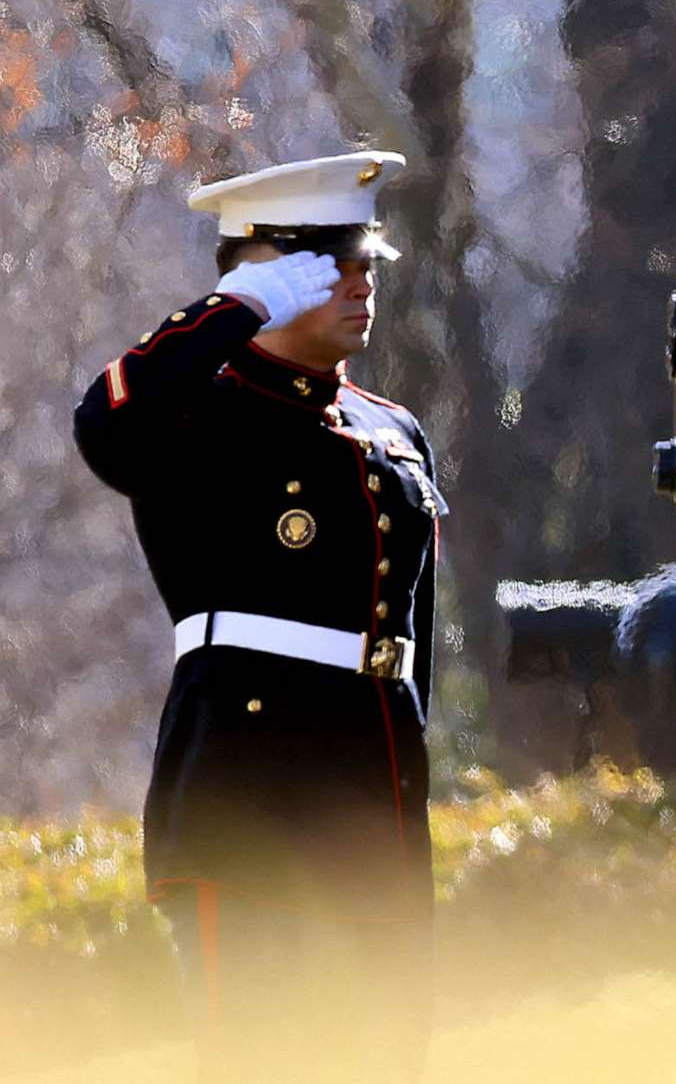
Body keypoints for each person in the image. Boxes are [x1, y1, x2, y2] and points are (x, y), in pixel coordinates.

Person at [71, 151, 447, 1082]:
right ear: (269, 273)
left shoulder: (388, 428)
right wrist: (236, 309)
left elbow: (407, 633)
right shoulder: (197, 413)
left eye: (369, 264)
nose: (362, 284)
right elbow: (104, 424)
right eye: (333, 264)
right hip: (249, 809)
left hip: (377, 811)